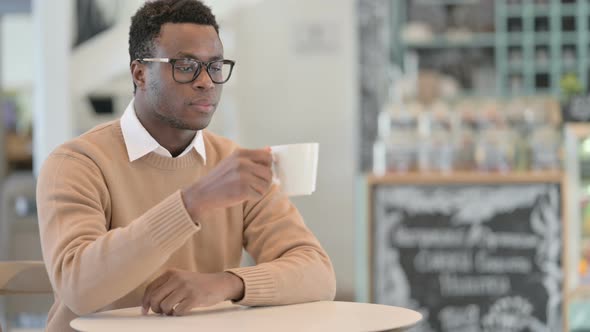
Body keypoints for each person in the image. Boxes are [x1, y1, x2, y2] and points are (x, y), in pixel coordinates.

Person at [36, 1, 336, 331]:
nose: (206, 81)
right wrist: (193, 202)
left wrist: (225, 284)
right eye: (186, 66)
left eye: (215, 66)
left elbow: (317, 274)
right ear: (139, 73)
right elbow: (79, 288)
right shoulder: (77, 163)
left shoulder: (233, 165)